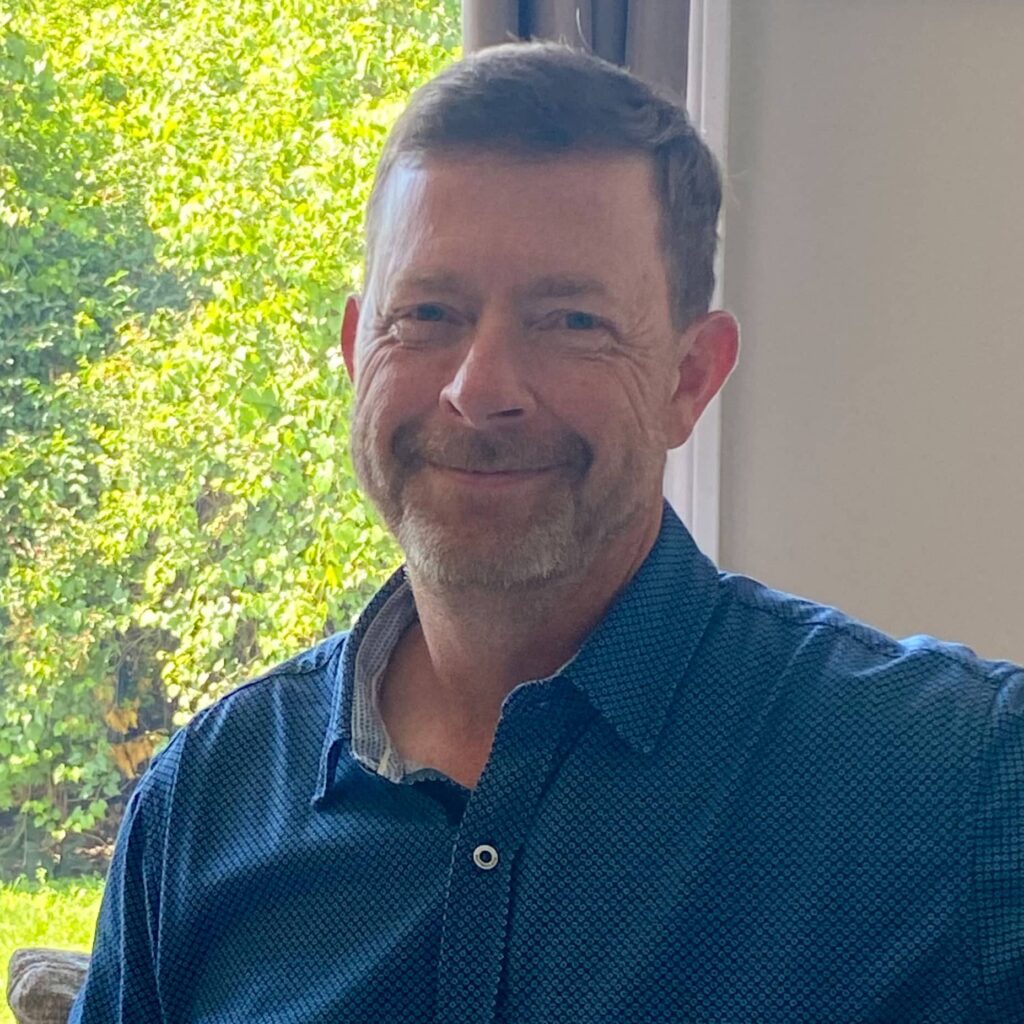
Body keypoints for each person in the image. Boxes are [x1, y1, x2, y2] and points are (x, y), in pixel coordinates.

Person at [71, 42, 1023, 1024]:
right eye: (427, 313)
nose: (479, 388)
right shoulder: (203, 805)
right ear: (357, 352)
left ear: (689, 378)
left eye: (569, 320)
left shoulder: (962, 785)